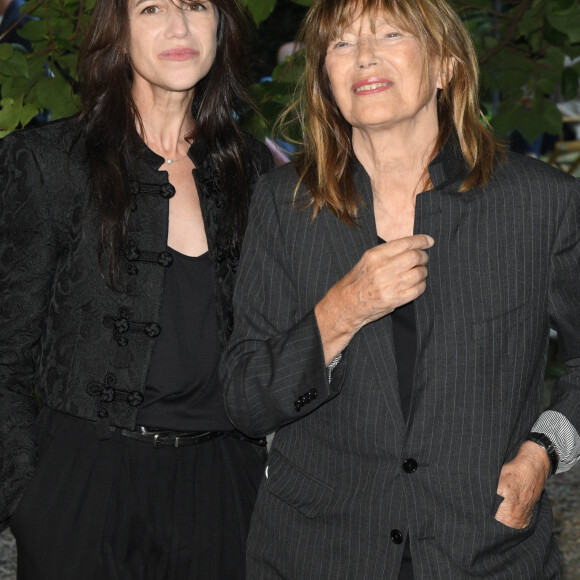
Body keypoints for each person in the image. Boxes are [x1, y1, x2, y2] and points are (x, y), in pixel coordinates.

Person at [221, 0, 580, 578]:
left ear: (446, 66)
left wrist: (545, 451)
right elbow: (246, 400)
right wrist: (343, 309)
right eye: (340, 43)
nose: (364, 56)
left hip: (485, 555)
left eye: (390, 33)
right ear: (324, 79)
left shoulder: (541, 202)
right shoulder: (284, 205)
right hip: (319, 553)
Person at [0, 0, 273, 578]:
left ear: (221, 26)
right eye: (152, 7)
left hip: (223, 485)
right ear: (117, 32)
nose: (179, 26)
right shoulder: (50, 161)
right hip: (81, 486)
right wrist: (28, 499)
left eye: (196, 5)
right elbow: (6, 352)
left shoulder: (254, 173)